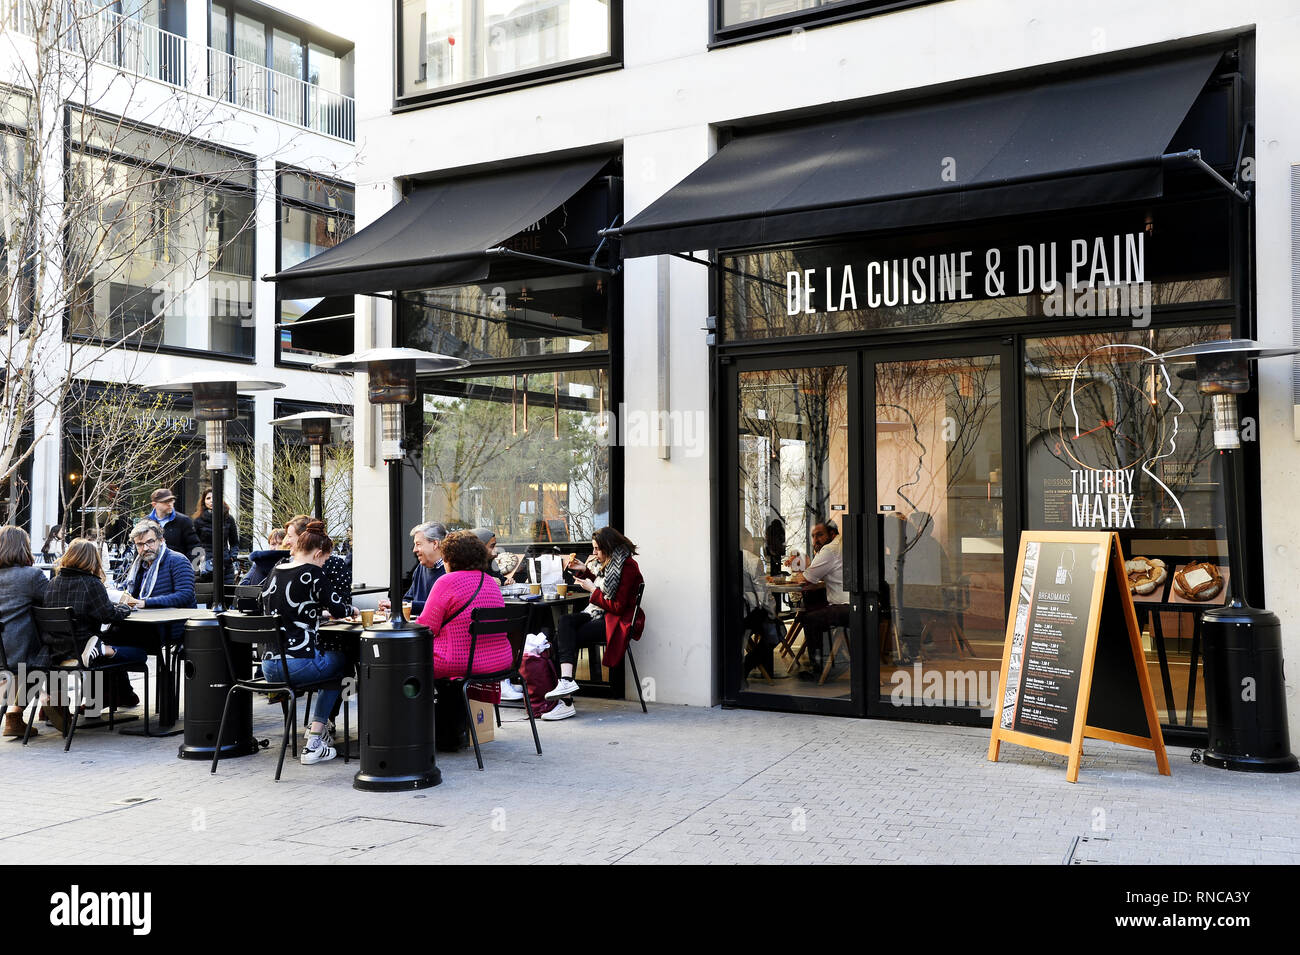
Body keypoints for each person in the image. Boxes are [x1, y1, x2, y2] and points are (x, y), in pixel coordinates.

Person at [259, 519, 351, 765]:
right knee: (341, 666)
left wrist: (314, 613)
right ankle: (314, 743)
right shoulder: (313, 572)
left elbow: (273, 608)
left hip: (269, 667)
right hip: (298, 663)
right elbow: (340, 609)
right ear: (318, 553)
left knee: (330, 665)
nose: (323, 564)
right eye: (324, 559)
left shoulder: (275, 571)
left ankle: (315, 739)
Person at [546, 526, 645, 721]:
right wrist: (585, 571)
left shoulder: (627, 566)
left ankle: (565, 701)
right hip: (598, 614)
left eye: (597, 549)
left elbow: (616, 606)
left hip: (615, 620)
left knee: (564, 637)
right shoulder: (611, 563)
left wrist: (592, 590)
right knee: (565, 622)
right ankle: (565, 685)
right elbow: (603, 586)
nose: (594, 554)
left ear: (609, 547)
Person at [43, 539, 148, 709]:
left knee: (109, 649)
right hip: (83, 648)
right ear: (93, 559)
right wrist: (124, 607)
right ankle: (111, 685)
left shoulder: (53, 583)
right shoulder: (91, 583)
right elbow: (109, 616)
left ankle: (115, 695)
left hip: (56, 651)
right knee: (140, 654)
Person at [415, 530, 510, 679]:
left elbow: (426, 628)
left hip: (459, 661)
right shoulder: (490, 581)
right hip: (499, 660)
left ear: (449, 558)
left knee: (403, 658)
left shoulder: (446, 582)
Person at [0, 526, 49, 737]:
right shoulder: (31, 576)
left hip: (2, 650)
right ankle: (17, 713)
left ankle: (18, 714)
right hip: (20, 650)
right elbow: (52, 601)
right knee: (47, 658)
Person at [792, 520, 849, 676]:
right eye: (813, 536)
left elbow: (806, 579)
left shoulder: (830, 550)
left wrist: (798, 573)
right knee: (813, 610)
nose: (815, 540)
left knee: (809, 618)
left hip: (846, 607)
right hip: (857, 604)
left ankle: (816, 667)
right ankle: (828, 657)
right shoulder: (843, 543)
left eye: (820, 535)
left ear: (832, 534)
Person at [284, 515, 351, 613]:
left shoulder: (280, 568)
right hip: (305, 626)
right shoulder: (285, 564)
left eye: (289, 536)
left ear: (305, 538)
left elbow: (343, 602)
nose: (286, 542)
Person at [379, 521, 445, 616]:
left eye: (418, 544)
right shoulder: (420, 568)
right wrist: (393, 607)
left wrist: (407, 606)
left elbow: (440, 607)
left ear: (435, 544)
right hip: (417, 627)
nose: (414, 550)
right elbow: (408, 598)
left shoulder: (451, 571)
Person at [192, 486, 239, 584]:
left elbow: (234, 542)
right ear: (203, 501)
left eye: (214, 497)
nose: (211, 501)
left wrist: (232, 557)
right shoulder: (198, 520)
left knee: (226, 595)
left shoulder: (228, 518)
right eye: (208, 498)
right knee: (206, 596)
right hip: (205, 565)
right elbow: (193, 543)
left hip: (225, 564)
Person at [145, 488, 201, 568]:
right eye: (165, 502)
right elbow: (139, 549)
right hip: (151, 569)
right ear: (154, 504)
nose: (170, 504)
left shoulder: (184, 521)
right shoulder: (145, 522)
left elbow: (195, 547)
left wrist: (190, 568)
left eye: (171, 501)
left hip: (178, 569)